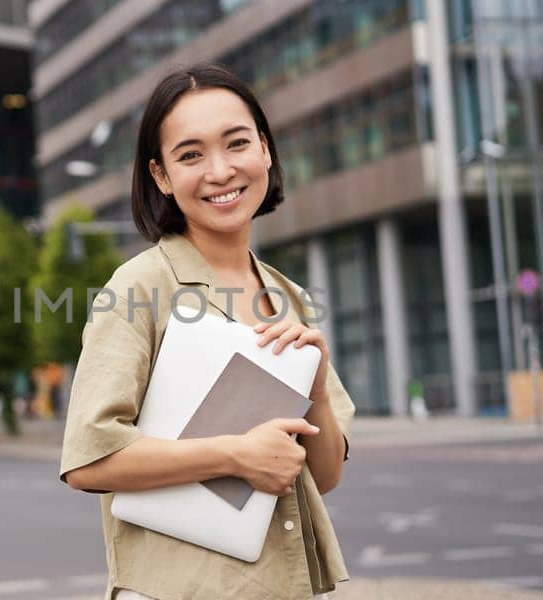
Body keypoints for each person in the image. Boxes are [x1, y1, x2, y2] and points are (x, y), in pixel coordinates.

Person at [58, 63, 356, 600]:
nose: (220, 171)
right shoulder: (140, 287)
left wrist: (316, 392)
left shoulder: (289, 298)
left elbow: (325, 476)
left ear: (264, 150)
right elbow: (87, 460)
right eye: (190, 155)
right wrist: (234, 456)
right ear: (161, 177)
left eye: (236, 143)